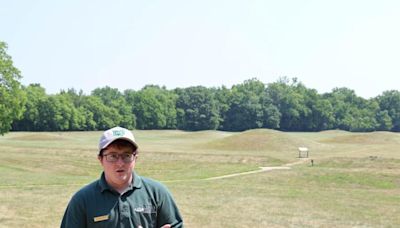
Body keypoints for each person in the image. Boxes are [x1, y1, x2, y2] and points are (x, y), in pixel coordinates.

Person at [61, 126, 184, 228]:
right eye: (112, 156)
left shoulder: (157, 193)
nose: (120, 163)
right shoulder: (82, 200)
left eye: (126, 155)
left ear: (135, 158)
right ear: (100, 159)